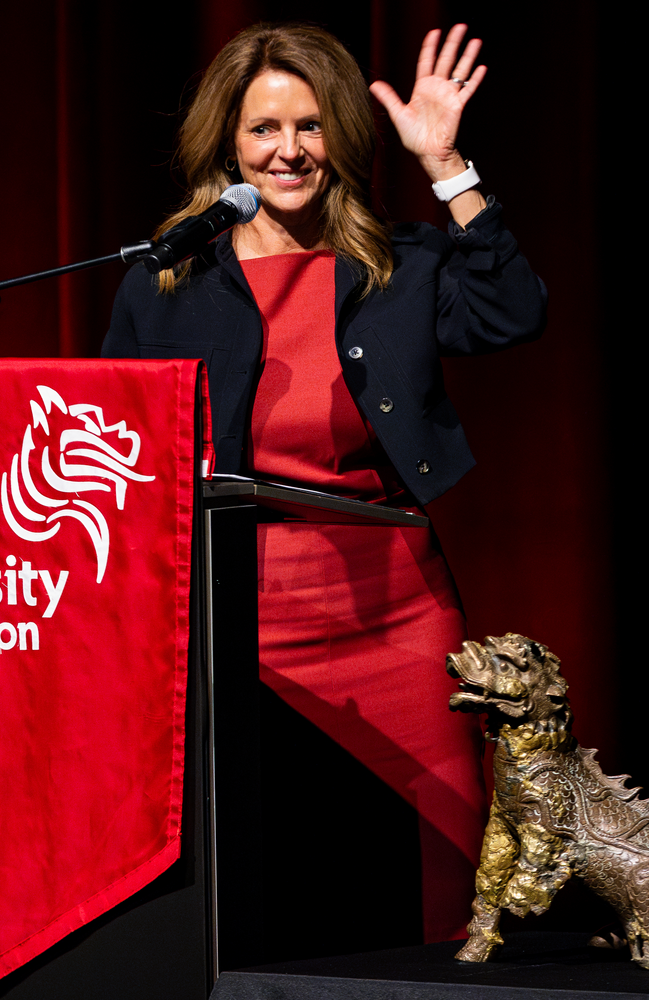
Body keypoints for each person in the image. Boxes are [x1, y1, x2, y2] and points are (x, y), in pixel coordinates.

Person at [102, 22, 547, 944]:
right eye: (265, 128)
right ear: (228, 141)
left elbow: (512, 313)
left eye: (310, 126)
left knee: (444, 859)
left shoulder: (404, 263)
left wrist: (448, 165)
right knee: (265, 876)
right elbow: (121, 448)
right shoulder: (168, 280)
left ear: (340, 136)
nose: (289, 150)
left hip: (392, 611)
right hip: (233, 620)